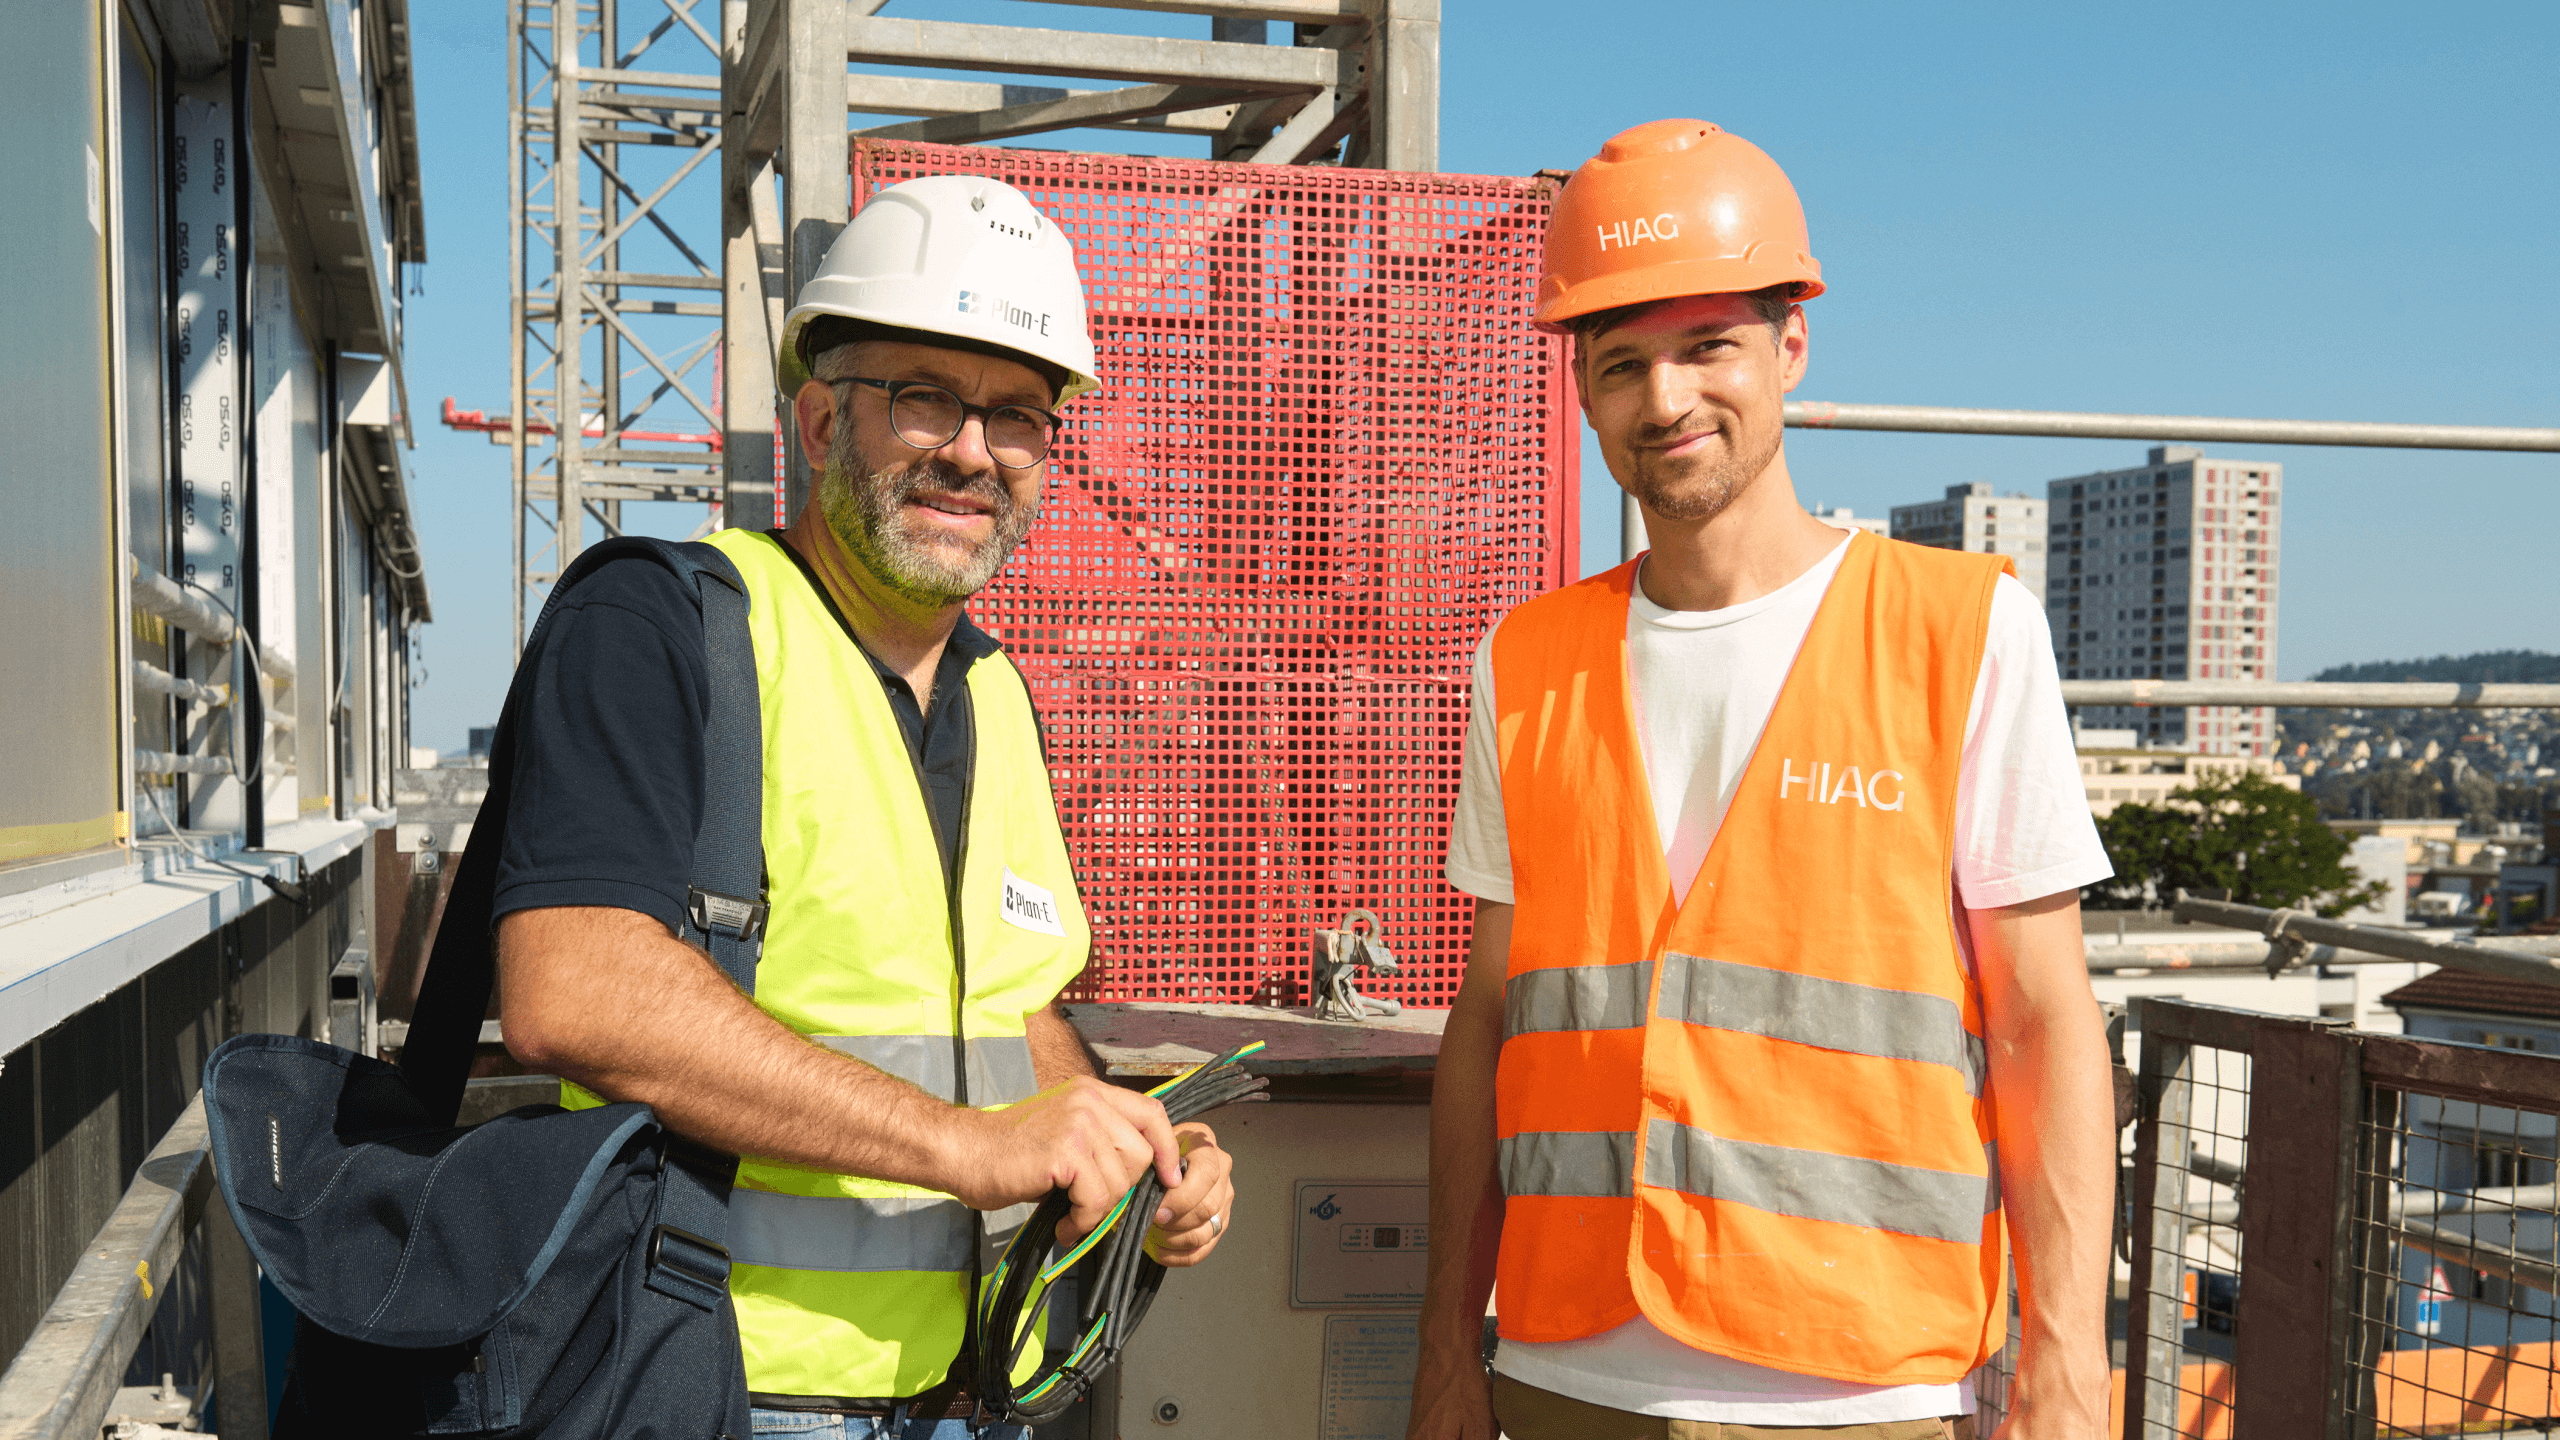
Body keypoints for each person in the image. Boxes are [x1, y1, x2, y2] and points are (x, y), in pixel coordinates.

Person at [491, 174, 1237, 1439]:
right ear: (823, 420)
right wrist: (961, 1145)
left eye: (1016, 415)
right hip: (710, 1383)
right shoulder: (665, 625)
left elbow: (1015, 1014)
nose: (970, 450)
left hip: (965, 1395)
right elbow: (578, 992)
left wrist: (1123, 1150)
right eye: (924, 399)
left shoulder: (998, 697)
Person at [1408, 120, 2117, 1440]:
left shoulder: (1961, 631)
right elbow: (1488, 1024)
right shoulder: (1528, 662)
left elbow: (2038, 1021)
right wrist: (1449, 1348)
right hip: (1568, 1380)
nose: (1665, 399)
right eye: (1622, 363)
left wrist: (2068, 1368)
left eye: (1706, 348)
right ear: (1580, 388)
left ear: (1793, 347)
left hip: (1867, 1389)